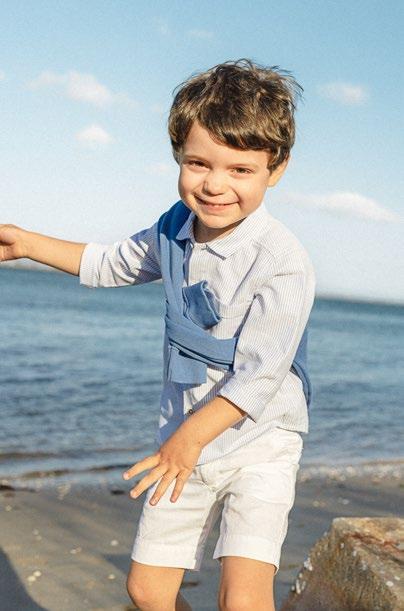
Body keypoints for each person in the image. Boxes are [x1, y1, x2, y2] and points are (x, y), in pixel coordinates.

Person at [0, 59, 316, 611]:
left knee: (243, 597)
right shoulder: (174, 229)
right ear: (178, 155)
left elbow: (260, 377)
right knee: (147, 590)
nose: (215, 184)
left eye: (240, 169)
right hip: (183, 433)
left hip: (261, 441)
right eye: (199, 163)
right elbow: (111, 263)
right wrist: (27, 243)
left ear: (277, 169)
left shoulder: (282, 259)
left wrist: (189, 440)